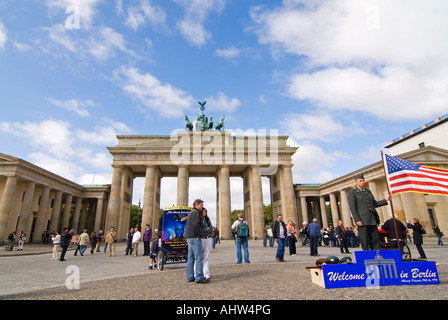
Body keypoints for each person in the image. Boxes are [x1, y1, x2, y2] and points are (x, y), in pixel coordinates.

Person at [348, 173, 390, 251]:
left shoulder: (367, 191)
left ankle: (376, 255)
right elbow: (353, 207)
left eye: (363, 180)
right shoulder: (353, 192)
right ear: (356, 182)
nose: (362, 182)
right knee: (365, 240)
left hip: (372, 219)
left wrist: (386, 200)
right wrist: (357, 219)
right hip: (362, 219)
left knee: (375, 239)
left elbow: (374, 204)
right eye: (360, 181)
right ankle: (367, 257)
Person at [185, 199, 209, 283]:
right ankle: (199, 277)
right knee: (199, 258)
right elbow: (196, 225)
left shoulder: (191, 213)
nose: (202, 207)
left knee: (190, 258)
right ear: (196, 205)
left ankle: (190, 276)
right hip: (195, 237)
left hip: (189, 237)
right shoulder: (195, 213)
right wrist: (200, 234)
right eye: (201, 205)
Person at [200, 208, 213, 280]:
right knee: (199, 257)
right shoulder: (199, 219)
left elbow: (211, 229)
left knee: (206, 257)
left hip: (208, 238)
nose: (205, 213)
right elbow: (199, 229)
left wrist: (207, 229)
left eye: (205, 212)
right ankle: (198, 273)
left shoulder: (207, 220)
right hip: (201, 239)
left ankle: (207, 274)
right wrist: (206, 229)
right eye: (203, 212)